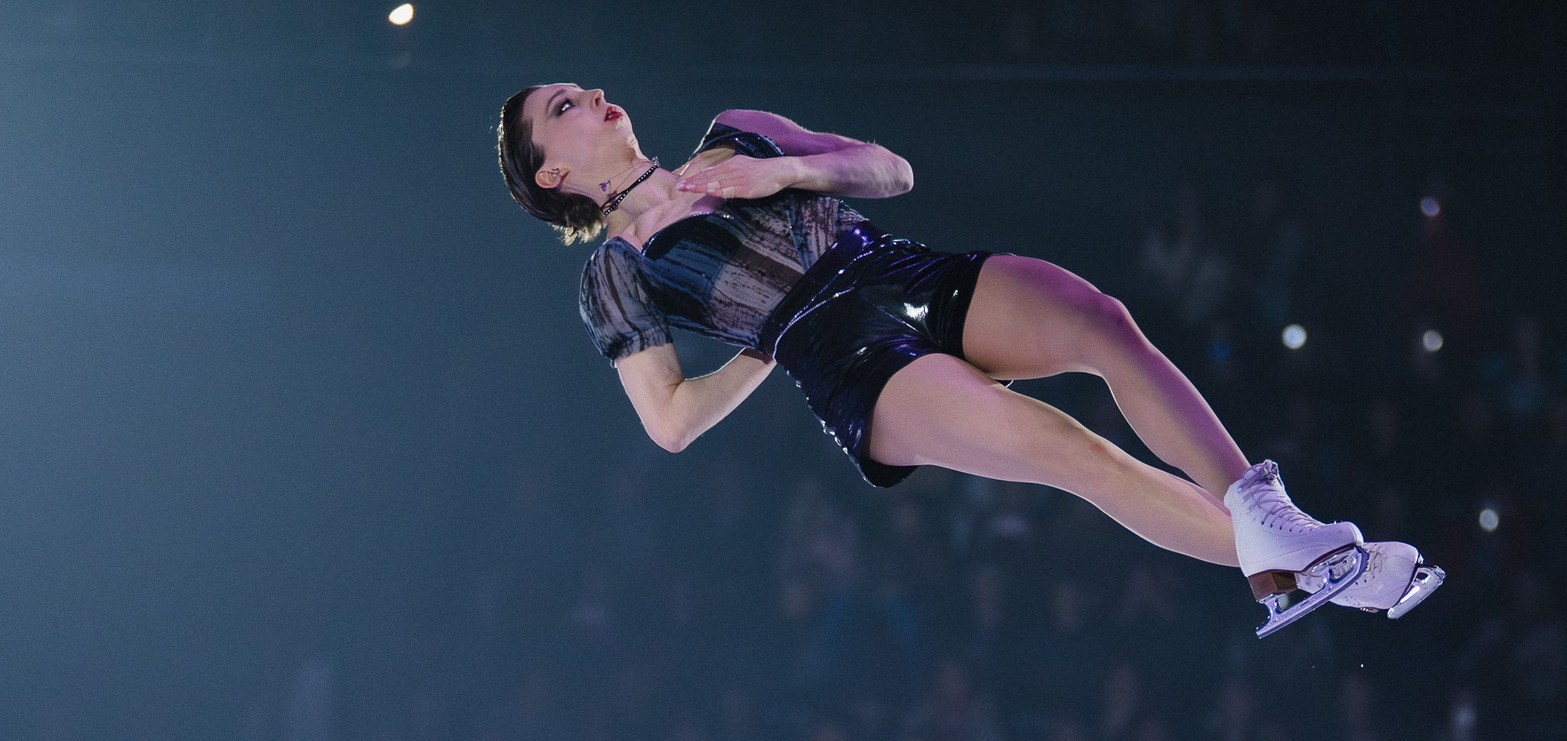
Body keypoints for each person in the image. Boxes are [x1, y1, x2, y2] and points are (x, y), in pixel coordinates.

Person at [495, 86, 1443, 637]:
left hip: (897, 268)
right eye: (564, 108)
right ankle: (1323, 572)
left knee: (1101, 320)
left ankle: (1270, 519)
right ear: (553, 173)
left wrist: (781, 171)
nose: (592, 95)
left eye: (581, 85)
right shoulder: (616, 274)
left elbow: (890, 171)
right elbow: (670, 422)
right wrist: (769, 337)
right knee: (1072, 451)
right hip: (844, 356)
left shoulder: (736, 133)